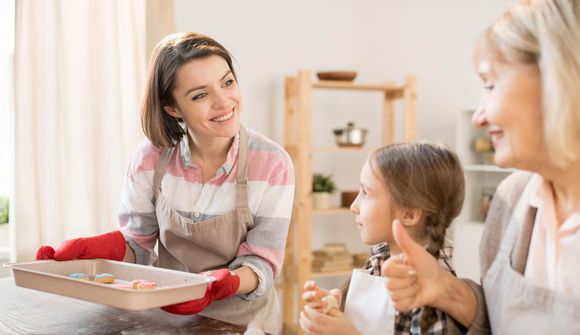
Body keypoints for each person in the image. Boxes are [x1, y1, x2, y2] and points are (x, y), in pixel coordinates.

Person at [36, 32, 295, 334]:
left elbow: (261, 262)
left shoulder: (273, 164)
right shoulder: (151, 157)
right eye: (200, 95)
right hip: (170, 319)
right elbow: (139, 245)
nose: (224, 101)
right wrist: (102, 247)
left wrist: (223, 284)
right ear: (172, 108)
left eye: (227, 82)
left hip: (245, 323)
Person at [382, 0, 580, 333]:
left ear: (557, 80)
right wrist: (445, 290)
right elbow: (499, 318)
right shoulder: (511, 198)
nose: (479, 116)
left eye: (490, 85)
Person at [299, 141, 466, 335]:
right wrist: (332, 309)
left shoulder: (437, 296)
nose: (354, 206)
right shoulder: (379, 261)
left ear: (409, 214)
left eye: (366, 193)